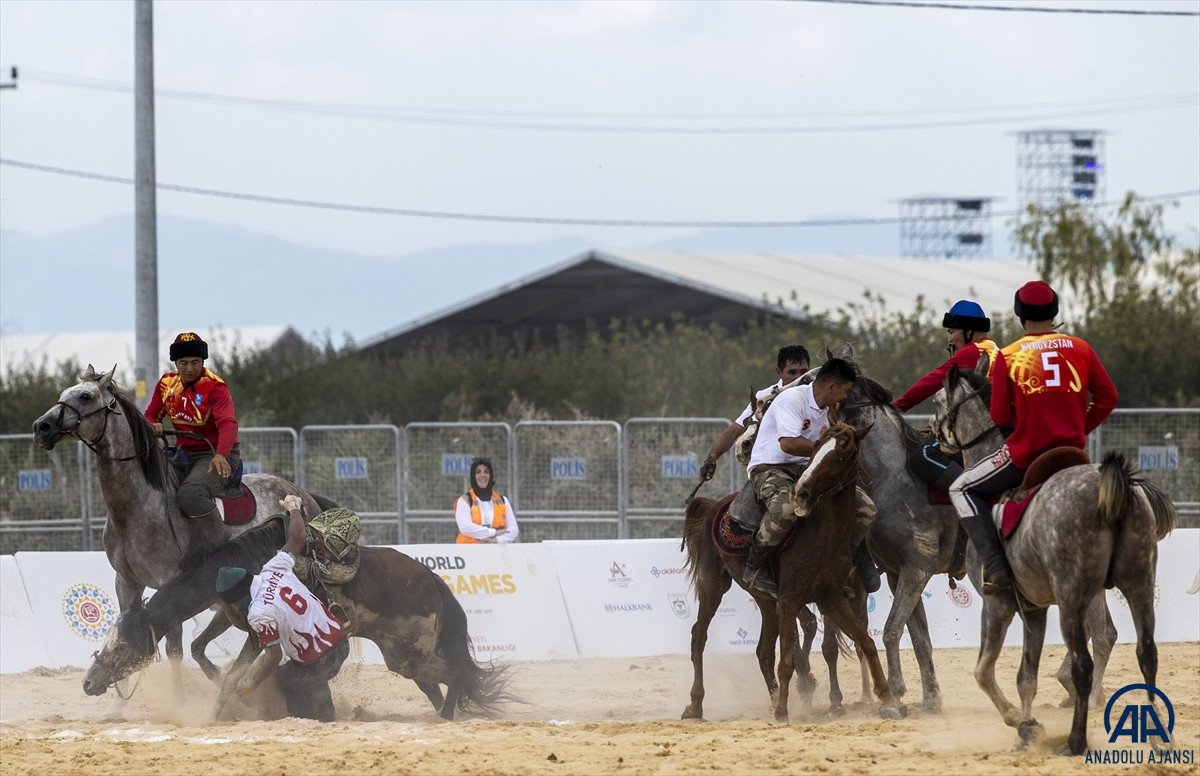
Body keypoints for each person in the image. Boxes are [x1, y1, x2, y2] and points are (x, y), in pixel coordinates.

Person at [950, 280, 1118, 594]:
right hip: (1072, 452)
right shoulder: (1081, 348)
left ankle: (996, 568)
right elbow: (1108, 397)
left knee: (961, 487)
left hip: (1026, 455)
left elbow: (999, 416)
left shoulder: (1010, 356)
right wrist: (1079, 429)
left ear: (1020, 315)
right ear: (1054, 311)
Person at [216, 494, 349, 722]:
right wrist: (293, 508)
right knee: (304, 661)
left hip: (320, 663)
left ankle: (305, 717)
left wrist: (251, 683)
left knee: (277, 679)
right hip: (341, 643)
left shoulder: (258, 613)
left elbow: (273, 655)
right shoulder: (273, 567)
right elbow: (298, 537)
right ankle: (326, 709)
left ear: (236, 601)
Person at [742, 358, 860, 598]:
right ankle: (755, 567)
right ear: (831, 387)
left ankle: (844, 564)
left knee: (866, 509)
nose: (845, 397)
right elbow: (788, 443)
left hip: (805, 467)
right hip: (769, 467)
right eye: (845, 391)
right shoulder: (792, 399)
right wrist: (827, 449)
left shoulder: (829, 410)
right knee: (785, 508)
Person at [144, 332, 241, 521]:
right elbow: (150, 414)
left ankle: (221, 541)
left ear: (203, 361)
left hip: (215, 455)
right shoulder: (166, 384)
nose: (189, 368)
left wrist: (221, 454)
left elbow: (228, 423)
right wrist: (152, 424)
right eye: (184, 362)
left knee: (190, 494)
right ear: (176, 363)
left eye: (195, 362)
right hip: (182, 454)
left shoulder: (215, 387)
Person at [698, 345, 810, 482]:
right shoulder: (764, 397)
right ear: (779, 372)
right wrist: (712, 458)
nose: (799, 378)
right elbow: (735, 430)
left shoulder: (820, 394)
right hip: (773, 468)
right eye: (792, 372)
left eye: (803, 372)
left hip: (810, 466)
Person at [893, 300, 999, 413]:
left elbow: (931, 382)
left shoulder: (972, 351)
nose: (949, 339)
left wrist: (897, 407)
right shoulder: (993, 348)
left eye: (951, 332)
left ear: (968, 332)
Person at [454, 457, 519, 544]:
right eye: (478, 472)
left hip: (496, 553)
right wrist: (494, 532)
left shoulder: (503, 500)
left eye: (486, 472)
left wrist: (495, 540)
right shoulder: (464, 501)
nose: (482, 475)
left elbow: (513, 530)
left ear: (491, 475)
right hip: (468, 554)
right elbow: (465, 528)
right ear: (473, 476)